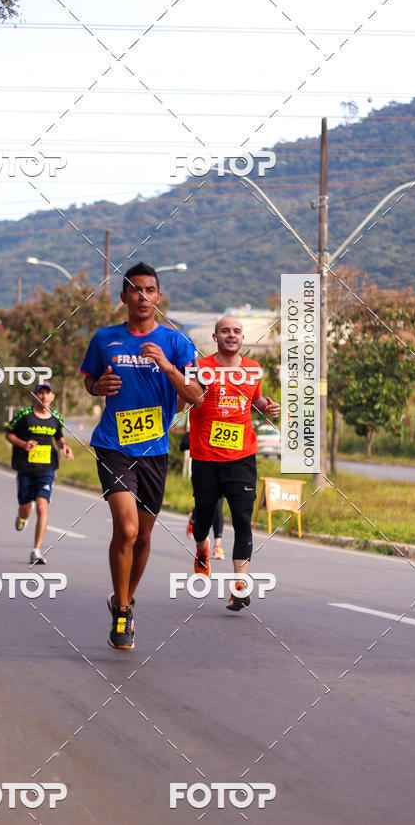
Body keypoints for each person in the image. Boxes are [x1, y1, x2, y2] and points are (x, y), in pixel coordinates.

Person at [80, 262, 203, 650]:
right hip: (113, 445)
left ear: (159, 297)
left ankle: (124, 599)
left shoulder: (177, 343)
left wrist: (167, 367)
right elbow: (89, 380)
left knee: (144, 536)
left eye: (150, 290)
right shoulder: (105, 338)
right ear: (124, 297)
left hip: (155, 450)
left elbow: (196, 395)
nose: (142, 296)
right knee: (128, 529)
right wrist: (97, 386)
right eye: (135, 289)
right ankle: (121, 613)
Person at [188, 315, 280, 611]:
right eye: (225, 331)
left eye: (237, 331)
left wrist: (267, 406)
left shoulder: (252, 369)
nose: (231, 335)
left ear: (242, 338)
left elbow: (254, 400)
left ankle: (240, 585)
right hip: (205, 457)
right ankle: (202, 548)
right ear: (215, 337)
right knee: (203, 518)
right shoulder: (200, 368)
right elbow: (186, 399)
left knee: (242, 519)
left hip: (242, 457)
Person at [4, 383, 73, 565]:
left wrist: (64, 446)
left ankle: (36, 551)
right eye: (40, 393)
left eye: (47, 393)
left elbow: (59, 437)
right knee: (25, 508)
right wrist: (23, 444)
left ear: (53, 396)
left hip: (47, 468)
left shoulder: (57, 417)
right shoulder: (24, 415)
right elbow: (8, 434)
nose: (43, 396)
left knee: (42, 506)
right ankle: (22, 517)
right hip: (25, 467)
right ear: (35, 396)